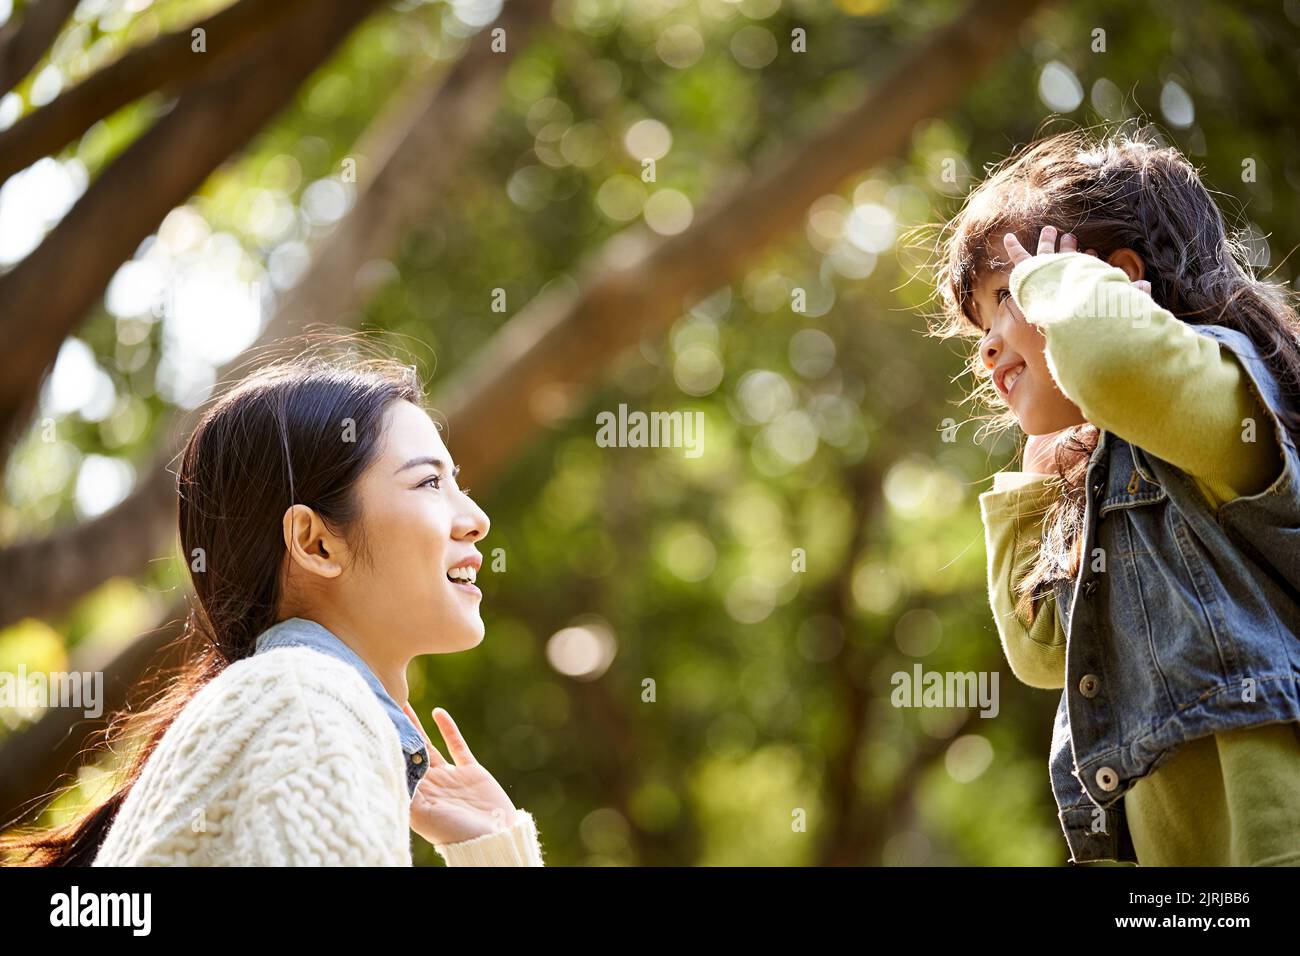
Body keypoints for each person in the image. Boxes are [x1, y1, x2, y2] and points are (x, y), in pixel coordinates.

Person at [0, 346, 544, 866]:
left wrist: (493, 843)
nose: (476, 517)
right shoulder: (306, 708)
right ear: (315, 543)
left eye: (456, 482)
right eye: (429, 482)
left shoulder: (295, 707)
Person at [930, 128, 1300, 865]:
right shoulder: (1101, 479)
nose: (987, 344)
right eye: (981, 322)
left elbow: (1112, 361)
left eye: (1009, 294)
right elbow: (1040, 652)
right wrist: (1037, 483)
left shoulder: (1221, 392)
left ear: (1118, 279)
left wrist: (1061, 285)